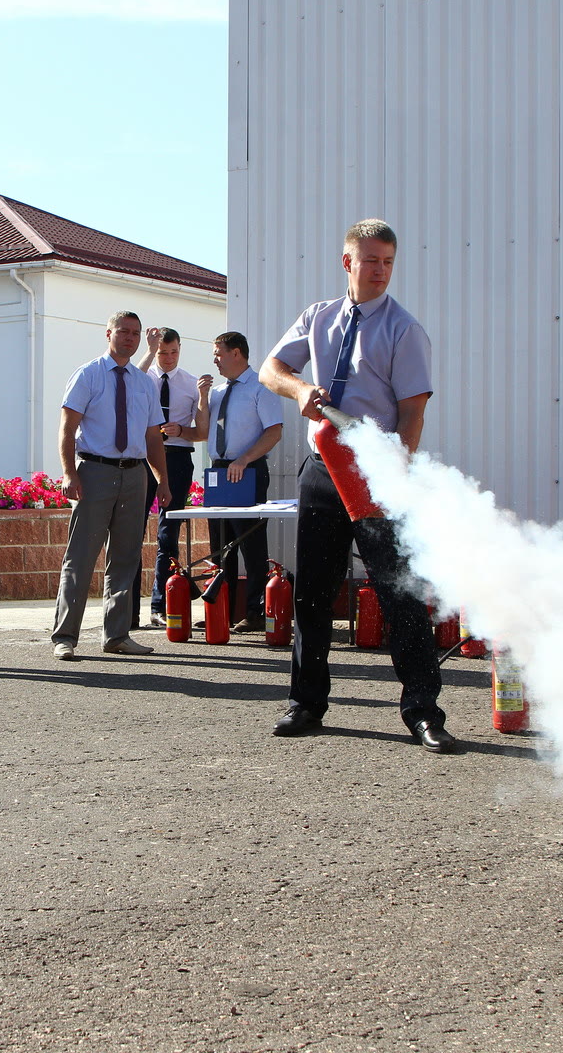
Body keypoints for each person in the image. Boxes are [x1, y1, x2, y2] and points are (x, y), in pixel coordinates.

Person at [260, 219, 454, 751]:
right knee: (313, 593)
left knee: (399, 595)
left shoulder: (404, 330)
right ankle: (307, 702)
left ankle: (422, 711)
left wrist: (400, 472)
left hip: (376, 472)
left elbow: (413, 413)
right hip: (323, 466)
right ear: (348, 262)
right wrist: (299, 389)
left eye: (388, 262)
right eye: (370, 261)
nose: (380, 272)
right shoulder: (318, 317)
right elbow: (269, 369)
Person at [51, 311, 170, 661]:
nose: (129, 338)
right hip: (95, 472)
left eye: (135, 333)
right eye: (123, 331)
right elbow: (67, 427)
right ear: (108, 333)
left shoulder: (144, 382)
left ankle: (116, 634)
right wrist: (69, 473)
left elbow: (153, 436)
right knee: (81, 556)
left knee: (126, 556)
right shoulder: (88, 374)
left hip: (135, 475)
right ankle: (65, 636)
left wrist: (162, 480)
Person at [193, 331, 283, 633]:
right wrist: (203, 398)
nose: (215, 359)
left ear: (236, 353)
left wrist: (244, 460)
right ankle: (221, 611)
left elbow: (274, 432)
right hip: (220, 471)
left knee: (250, 543)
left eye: (218, 353)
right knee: (221, 546)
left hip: (248, 469)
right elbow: (204, 430)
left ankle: (256, 612)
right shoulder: (218, 392)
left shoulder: (261, 386)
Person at [133, 326, 200, 627]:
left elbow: (202, 431)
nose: (169, 358)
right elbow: (132, 378)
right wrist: (148, 351)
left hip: (177, 457)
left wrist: (181, 431)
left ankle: (160, 605)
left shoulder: (190, 383)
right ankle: (128, 610)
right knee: (131, 532)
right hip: (143, 456)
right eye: (163, 353)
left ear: (180, 349)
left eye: (174, 352)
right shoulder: (144, 375)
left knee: (167, 534)